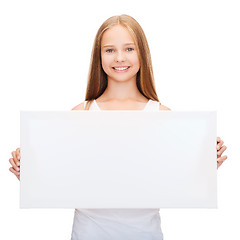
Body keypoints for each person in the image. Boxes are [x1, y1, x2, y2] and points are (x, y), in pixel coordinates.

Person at [9, 14, 228, 240]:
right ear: (99, 56)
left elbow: (180, 182)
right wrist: (27, 172)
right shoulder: (80, 114)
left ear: (142, 53)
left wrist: (207, 164)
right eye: (110, 50)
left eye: (129, 49)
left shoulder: (162, 117)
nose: (120, 58)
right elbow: (55, 179)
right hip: (88, 234)